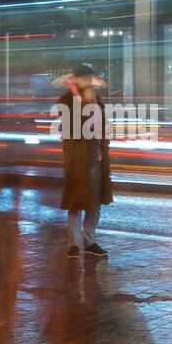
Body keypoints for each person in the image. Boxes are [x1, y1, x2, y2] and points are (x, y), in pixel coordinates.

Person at [58, 64, 112, 258]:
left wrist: (103, 144)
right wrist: (75, 95)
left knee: (94, 202)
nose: (90, 82)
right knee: (76, 202)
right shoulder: (67, 100)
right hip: (77, 157)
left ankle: (89, 241)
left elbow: (102, 124)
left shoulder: (96, 99)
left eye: (91, 78)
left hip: (96, 159)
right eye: (86, 78)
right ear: (77, 80)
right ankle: (74, 244)